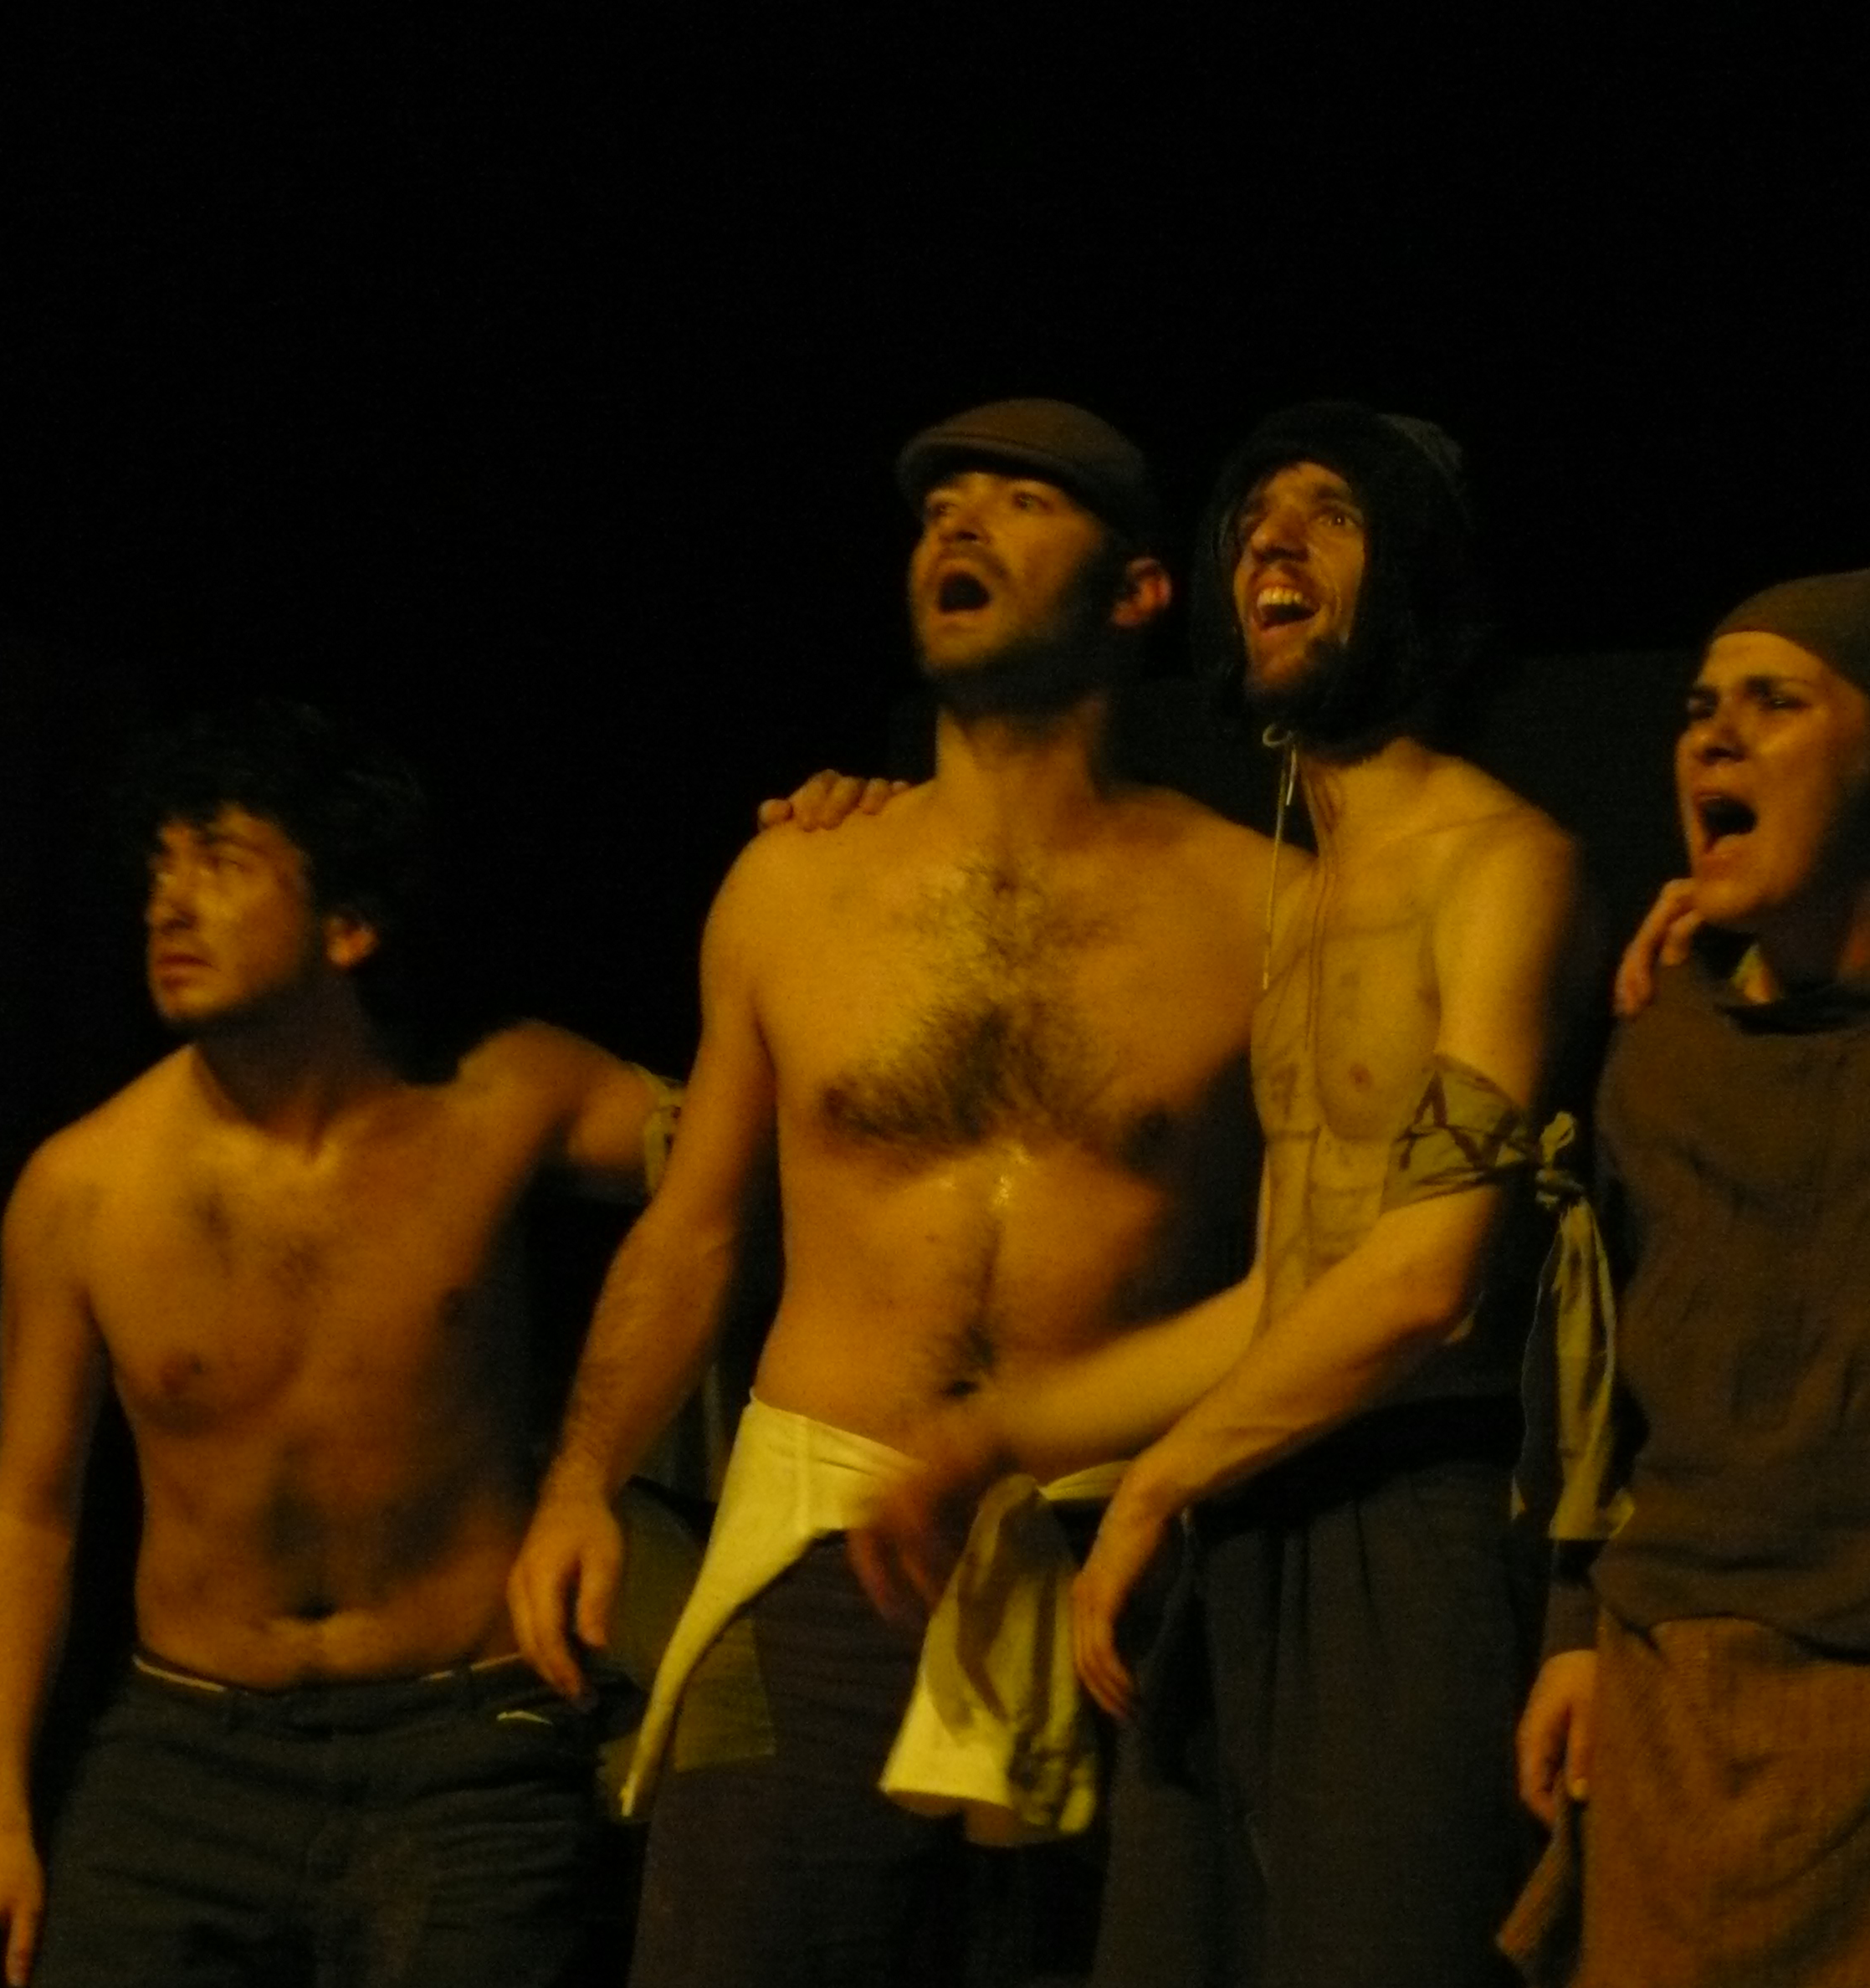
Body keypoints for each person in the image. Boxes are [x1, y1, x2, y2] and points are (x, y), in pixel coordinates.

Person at [505, 398, 1278, 1988]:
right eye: (938, 509)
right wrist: (583, 1480)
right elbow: (694, 1226)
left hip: (1105, 1558)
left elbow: (1317, 1262)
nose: (960, 526)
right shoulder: (796, 882)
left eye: (1021, 502)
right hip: (814, 1547)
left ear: (1140, 590)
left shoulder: (1262, 912)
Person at [859, 401, 1590, 1988]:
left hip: (1415, 1516)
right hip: (1256, 1511)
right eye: (1254, 514)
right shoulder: (1301, 911)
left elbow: (1425, 1279)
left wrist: (1154, 1483)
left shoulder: (1498, 863)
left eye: (1331, 513)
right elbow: (1282, 1294)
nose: (1272, 537)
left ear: (1416, 573)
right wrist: (999, 1433)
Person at [0, 702, 669, 1988]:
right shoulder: (80, 1192)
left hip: (465, 1743)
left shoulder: (508, 1099)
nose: (168, 903)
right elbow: (29, 1511)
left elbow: (750, 1163)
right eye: (159, 866)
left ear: (348, 923)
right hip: (187, 1751)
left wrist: (586, 1476)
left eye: (220, 862)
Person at [1504, 566, 1870, 1986]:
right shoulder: (1668, 1040)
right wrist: (1578, 1628)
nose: (1713, 737)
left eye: (1775, 704)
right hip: (1681, 1689)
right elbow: (1606, 1374)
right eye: (1699, 707)